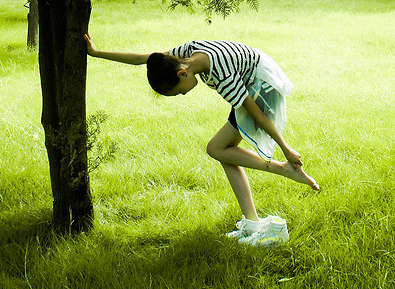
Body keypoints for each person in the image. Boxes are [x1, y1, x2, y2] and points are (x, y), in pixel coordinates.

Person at [84, 33, 319, 245]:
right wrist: (96, 53)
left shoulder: (224, 77)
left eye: (180, 91)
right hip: (249, 77)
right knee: (222, 151)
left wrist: (286, 148)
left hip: (262, 86)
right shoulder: (184, 55)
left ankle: (284, 170)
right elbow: (145, 58)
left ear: (182, 73)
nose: (184, 94)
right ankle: (252, 222)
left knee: (217, 148)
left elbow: (256, 112)